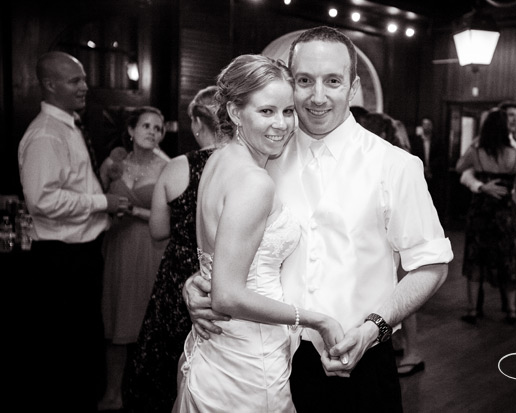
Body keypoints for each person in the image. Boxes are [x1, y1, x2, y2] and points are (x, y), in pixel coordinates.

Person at [183, 26, 453, 412]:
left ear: (354, 87)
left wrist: (373, 328)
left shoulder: (395, 165)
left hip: (361, 357)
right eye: (305, 81)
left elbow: (432, 264)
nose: (318, 96)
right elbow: (228, 246)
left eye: (333, 81)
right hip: (275, 361)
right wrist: (195, 282)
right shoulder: (263, 153)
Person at [173, 54, 348, 412]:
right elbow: (226, 295)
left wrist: (194, 282)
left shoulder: (218, 161)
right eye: (266, 111)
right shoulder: (255, 182)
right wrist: (316, 318)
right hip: (250, 358)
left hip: (217, 348)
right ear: (236, 113)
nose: (282, 124)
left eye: (287, 111)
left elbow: (218, 261)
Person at [17, 51, 131, 412]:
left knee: (81, 347)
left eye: (82, 79)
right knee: (64, 351)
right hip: (61, 260)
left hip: (80, 254)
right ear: (50, 85)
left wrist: (104, 189)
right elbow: (43, 201)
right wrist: (102, 204)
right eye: (75, 80)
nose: (84, 86)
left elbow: (73, 186)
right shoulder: (47, 135)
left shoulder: (70, 124)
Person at [122, 86, 219, 413]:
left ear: (196, 123)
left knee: (166, 356)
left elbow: (159, 230)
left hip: (179, 272)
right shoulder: (247, 166)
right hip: (224, 275)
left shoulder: (178, 166)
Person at [98, 106, 169, 411]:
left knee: (146, 323)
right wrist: (110, 209)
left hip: (152, 246)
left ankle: (148, 393)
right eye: (146, 126)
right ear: (130, 130)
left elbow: (172, 219)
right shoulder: (114, 165)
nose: (152, 132)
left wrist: (135, 211)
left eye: (158, 128)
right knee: (116, 322)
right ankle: (114, 393)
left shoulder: (167, 167)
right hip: (119, 246)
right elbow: (98, 201)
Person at [357, 111, 425, 377]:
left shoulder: (392, 160)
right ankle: (399, 343)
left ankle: (412, 350)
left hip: (395, 233)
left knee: (400, 290)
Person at [456, 108, 516, 325]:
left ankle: (471, 310)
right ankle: (512, 310)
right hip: (504, 213)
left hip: (480, 211)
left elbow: (460, 166)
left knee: (475, 260)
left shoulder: (477, 152)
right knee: (508, 259)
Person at [409, 117, 447, 220]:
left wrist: (430, 168)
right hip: (419, 174)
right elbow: (413, 155)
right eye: (424, 124)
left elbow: (441, 157)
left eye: (429, 124)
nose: (426, 127)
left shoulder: (438, 140)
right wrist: (423, 168)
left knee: (435, 200)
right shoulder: (416, 140)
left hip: (435, 175)